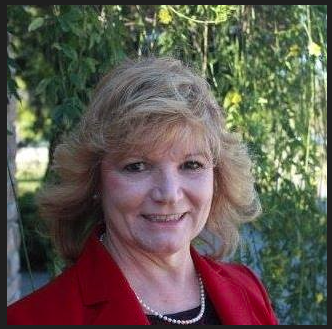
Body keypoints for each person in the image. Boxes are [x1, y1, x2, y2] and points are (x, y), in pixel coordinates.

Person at [7, 56, 278, 325]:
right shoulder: (33, 318)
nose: (169, 194)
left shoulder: (248, 290)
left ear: (217, 177)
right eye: (137, 166)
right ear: (95, 181)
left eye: (191, 164)